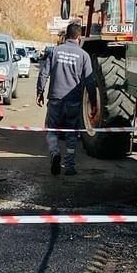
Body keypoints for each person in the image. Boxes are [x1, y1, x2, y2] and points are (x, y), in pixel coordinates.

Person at [36, 21, 97, 176]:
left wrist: (40, 92)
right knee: (71, 134)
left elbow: (44, 73)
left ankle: (54, 152)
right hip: (74, 101)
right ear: (79, 37)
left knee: (52, 130)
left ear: (66, 35)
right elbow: (90, 80)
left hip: (55, 98)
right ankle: (69, 167)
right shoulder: (83, 55)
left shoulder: (55, 51)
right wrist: (94, 102)